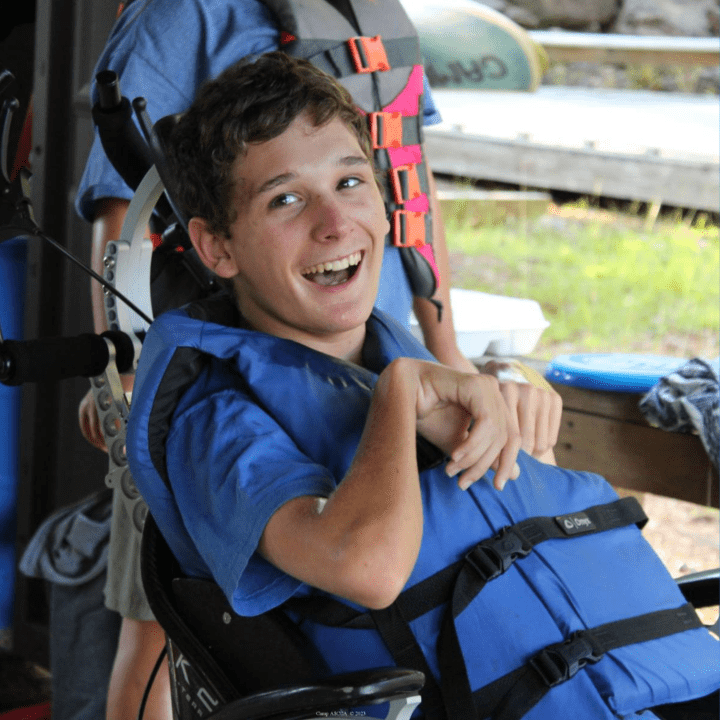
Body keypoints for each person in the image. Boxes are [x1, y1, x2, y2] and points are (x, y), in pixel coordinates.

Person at [125, 52, 718, 720]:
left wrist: (513, 422)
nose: (334, 222)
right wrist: (398, 396)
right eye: (285, 199)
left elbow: (520, 545)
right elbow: (368, 571)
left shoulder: (390, 350)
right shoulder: (219, 423)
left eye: (351, 182)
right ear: (216, 248)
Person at [73, 2, 561, 717]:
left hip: (375, 350)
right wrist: (124, 371)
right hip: (235, 363)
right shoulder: (185, 14)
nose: (335, 216)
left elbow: (409, 180)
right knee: (164, 627)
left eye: (346, 185)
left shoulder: (375, 15)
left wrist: (445, 354)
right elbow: (123, 208)